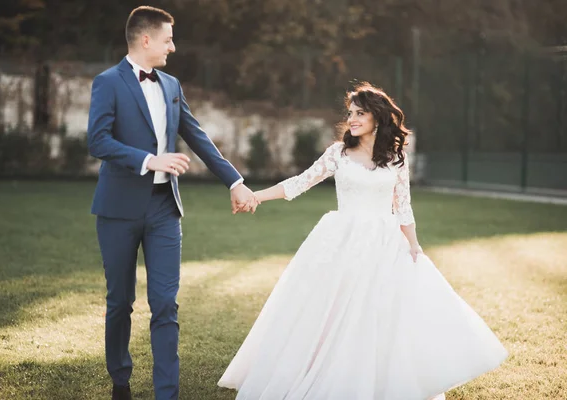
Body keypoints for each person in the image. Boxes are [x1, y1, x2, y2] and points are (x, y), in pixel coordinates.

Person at [218, 82, 508, 400]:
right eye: (350, 113)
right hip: (341, 240)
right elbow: (300, 183)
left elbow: (403, 205)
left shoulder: (396, 157)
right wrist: (255, 196)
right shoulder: (338, 154)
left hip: (384, 242)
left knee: (379, 313)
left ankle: (376, 383)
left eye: (360, 113)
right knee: (334, 310)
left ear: (377, 118)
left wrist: (413, 245)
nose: (352, 119)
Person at [87, 6, 258, 400]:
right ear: (145, 39)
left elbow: (197, 137)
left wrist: (234, 181)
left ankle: (167, 393)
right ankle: (120, 380)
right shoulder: (107, 83)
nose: (173, 47)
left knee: (165, 303)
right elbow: (98, 141)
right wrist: (149, 160)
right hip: (117, 210)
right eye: (167, 39)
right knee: (120, 302)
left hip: (165, 208)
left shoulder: (171, 84)